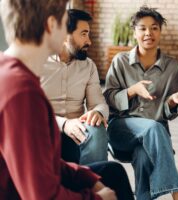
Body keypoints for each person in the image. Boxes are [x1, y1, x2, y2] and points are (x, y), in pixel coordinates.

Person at [0, 1, 134, 199]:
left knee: (112, 172)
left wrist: (87, 179)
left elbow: (42, 160)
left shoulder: (12, 71)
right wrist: (96, 198)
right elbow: (41, 195)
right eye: (65, 24)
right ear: (51, 25)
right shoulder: (21, 92)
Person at [104, 6, 178, 200]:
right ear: (134, 32)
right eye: (142, 28)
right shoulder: (120, 61)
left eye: (154, 28)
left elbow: (170, 113)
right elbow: (108, 97)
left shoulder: (172, 66)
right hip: (121, 129)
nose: (148, 33)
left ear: (160, 31)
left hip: (155, 137)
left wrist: (171, 102)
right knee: (152, 128)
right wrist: (132, 91)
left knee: (144, 157)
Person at [40, 9, 109, 165]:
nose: (89, 41)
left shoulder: (88, 66)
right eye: (83, 34)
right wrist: (64, 124)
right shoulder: (38, 63)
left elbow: (99, 102)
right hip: (44, 131)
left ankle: (94, 184)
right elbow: (30, 111)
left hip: (78, 133)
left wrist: (97, 112)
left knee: (97, 128)